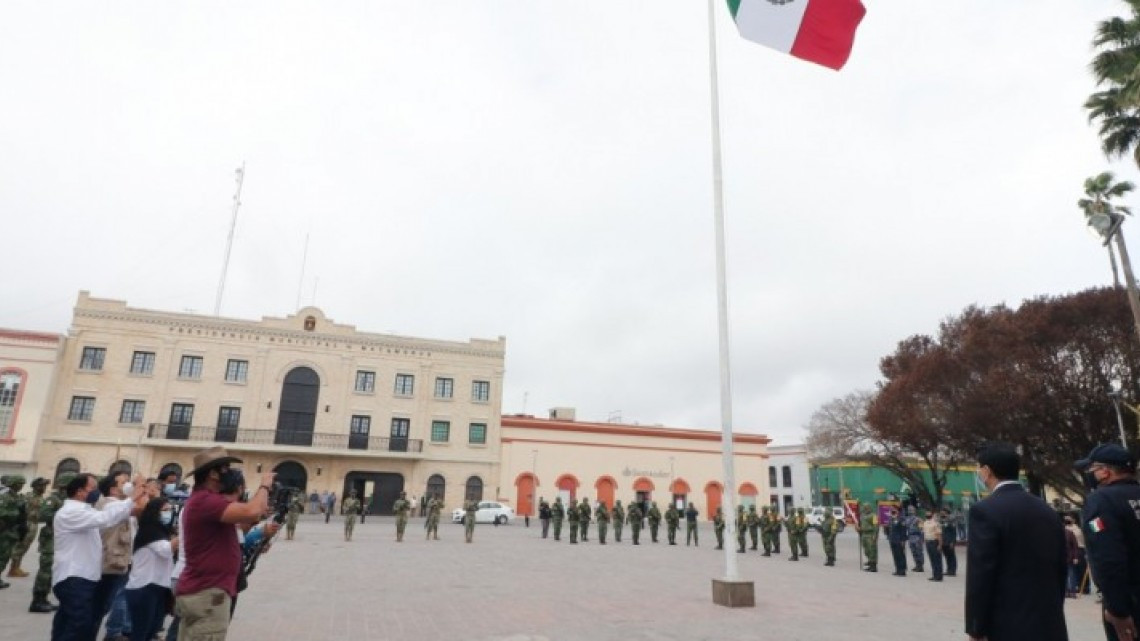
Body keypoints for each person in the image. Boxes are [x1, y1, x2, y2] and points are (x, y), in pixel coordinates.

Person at [965, 443, 1068, 641]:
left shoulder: (985, 511)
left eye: (979, 469)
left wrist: (975, 627)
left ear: (987, 471)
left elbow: (981, 574)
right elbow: (1060, 567)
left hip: (1006, 624)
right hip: (1049, 621)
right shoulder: (1046, 510)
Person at [176, 446, 274, 641]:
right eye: (225, 468)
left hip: (205, 590)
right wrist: (264, 486)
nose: (229, 473)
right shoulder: (205, 501)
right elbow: (253, 511)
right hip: (207, 593)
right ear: (213, 473)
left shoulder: (207, 500)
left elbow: (247, 518)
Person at [52, 472, 146, 641]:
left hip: (84, 576)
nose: (97, 492)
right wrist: (132, 498)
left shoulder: (86, 510)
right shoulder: (70, 512)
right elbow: (105, 518)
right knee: (77, 625)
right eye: (92, 488)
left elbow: (112, 515)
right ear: (80, 491)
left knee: (67, 622)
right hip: (74, 576)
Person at [1078, 443, 1140, 640]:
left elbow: (1107, 556)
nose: (1089, 474)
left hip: (1130, 600)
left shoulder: (1101, 501)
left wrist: (1118, 610)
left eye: (1092, 469)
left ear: (1105, 472)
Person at [125, 497, 176, 641]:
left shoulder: (162, 531)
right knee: (141, 632)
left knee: (151, 630)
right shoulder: (149, 531)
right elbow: (165, 550)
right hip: (144, 587)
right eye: (165, 510)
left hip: (158, 587)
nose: (169, 513)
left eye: (170, 510)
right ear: (155, 512)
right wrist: (184, 534)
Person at [95, 471, 136, 641]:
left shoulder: (121, 504)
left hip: (123, 558)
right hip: (111, 561)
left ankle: (116, 630)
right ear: (112, 489)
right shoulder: (109, 504)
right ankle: (113, 632)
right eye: (124, 483)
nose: (129, 485)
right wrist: (139, 490)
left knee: (114, 599)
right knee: (111, 600)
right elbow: (136, 507)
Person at [30, 473, 69, 614]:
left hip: (59, 538)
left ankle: (44, 598)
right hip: (50, 539)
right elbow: (43, 515)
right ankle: (37, 600)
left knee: (52, 570)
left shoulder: (66, 499)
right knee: (45, 570)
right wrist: (63, 518)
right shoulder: (54, 499)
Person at [9, 476, 48, 578]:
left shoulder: (39, 497)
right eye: (42, 486)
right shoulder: (29, 496)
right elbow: (24, 511)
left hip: (34, 524)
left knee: (25, 547)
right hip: (28, 524)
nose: (44, 488)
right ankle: (13, 569)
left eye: (45, 486)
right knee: (20, 547)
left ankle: (16, 567)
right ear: (36, 486)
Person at [0, 474, 28, 590]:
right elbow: (2, 513)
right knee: (2, 556)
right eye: (20, 484)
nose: (21, 486)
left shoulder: (16, 497)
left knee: (5, 556)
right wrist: (17, 513)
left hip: (12, 531)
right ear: (14, 484)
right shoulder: (5, 496)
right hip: (4, 531)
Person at [922, 509, 943, 581]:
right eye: (926, 513)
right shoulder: (924, 523)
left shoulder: (935, 523)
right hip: (928, 542)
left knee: (937, 559)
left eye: (928, 513)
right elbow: (925, 534)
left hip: (934, 542)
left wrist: (940, 545)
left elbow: (939, 534)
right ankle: (934, 575)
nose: (927, 514)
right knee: (932, 560)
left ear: (931, 514)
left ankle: (939, 576)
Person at [886, 507, 908, 576]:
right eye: (892, 512)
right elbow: (888, 530)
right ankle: (897, 569)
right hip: (892, 540)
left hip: (899, 540)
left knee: (900, 555)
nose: (893, 513)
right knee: (895, 555)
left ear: (898, 512)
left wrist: (903, 541)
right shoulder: (891, 520)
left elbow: (903, 531)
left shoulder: (901, 520)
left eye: (894, 512)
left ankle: (902, 570)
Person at [1064, 516, 1081, 599]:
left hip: (1070, 557)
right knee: (1066, 575)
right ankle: (1067, 592)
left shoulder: (1070, 533)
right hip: (1064, 558)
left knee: (1071, 575)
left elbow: (1075, 546)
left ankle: (1073, 592)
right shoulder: (1064, 532)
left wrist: (1075, 557)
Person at [858, 503, 878, 572]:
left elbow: (876, 526)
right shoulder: (863, 515)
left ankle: (873, 566)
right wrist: (859, 529)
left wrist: (875, 535)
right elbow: (862, 524)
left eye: (866, 507)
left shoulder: (873, 515)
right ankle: (869, 562)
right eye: (864, 507)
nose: (864, 509)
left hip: (870, 534)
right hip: (864, 534)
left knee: (872, 550)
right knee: (866, 550)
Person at [905, 505, 925, 572]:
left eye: (912, 510)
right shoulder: (907, 519)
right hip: (910, 537)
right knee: (913, 552)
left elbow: (922, 529)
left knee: (919, 551)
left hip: (917, 537)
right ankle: (917, 564)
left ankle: (920, 566)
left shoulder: (918, 519)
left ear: (915, 511)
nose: (910, 511)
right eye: (909, 510)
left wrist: (921, 539)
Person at [941, 506, 959, 577]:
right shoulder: (943, 519)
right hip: (944, 541)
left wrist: (952, 542)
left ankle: (953, 571)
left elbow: (953, 532)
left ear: (946, 512)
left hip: (949, 541)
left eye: (942, 511)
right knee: (947, 556)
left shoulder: (951, 520)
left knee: (951, 556)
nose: (941, 512)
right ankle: (948, 570)